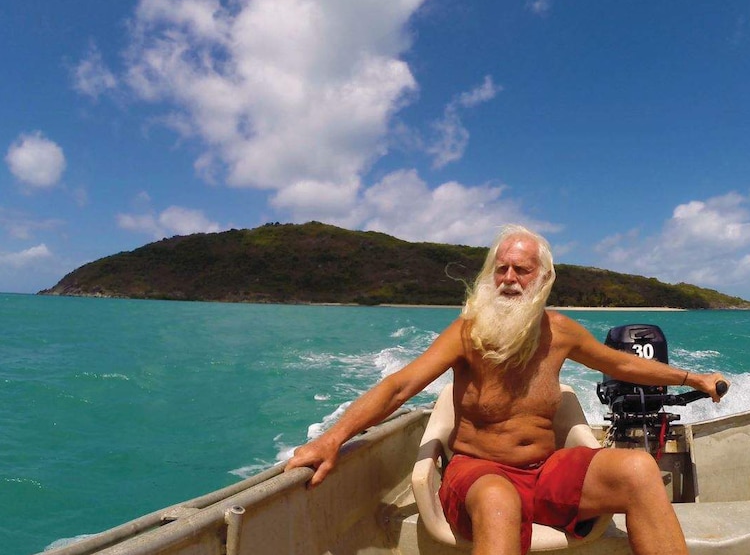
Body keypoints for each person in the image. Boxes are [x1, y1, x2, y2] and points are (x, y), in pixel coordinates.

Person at [286, 224, 727, 555]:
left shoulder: (561, 332)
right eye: (502, 269)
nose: (510, 278)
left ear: (543, 279)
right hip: (479, 474)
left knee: (639, 471)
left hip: (544, 470)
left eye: (522, 269)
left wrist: (693, 379)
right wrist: (332, 438)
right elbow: (401, 386)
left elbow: (624, 364)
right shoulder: (467, 333)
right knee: (498, 499)